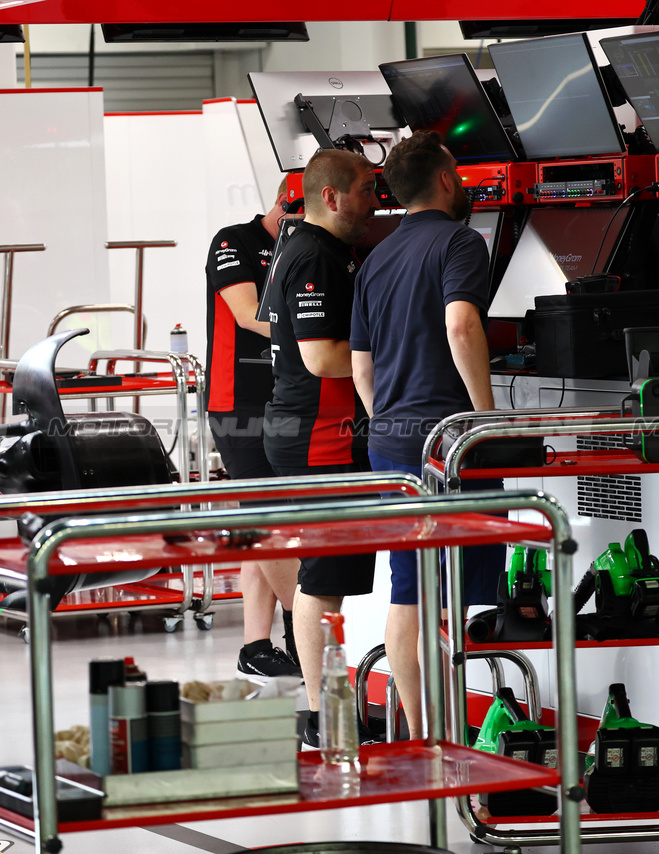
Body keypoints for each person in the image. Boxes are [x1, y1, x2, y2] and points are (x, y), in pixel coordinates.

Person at [350, 129, 504, 739]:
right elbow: (462, 326)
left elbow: (362, 366)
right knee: (453, 595)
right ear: (445, 179)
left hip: (390, 438)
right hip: (449, 439)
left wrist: (388, 417)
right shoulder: (462, 241)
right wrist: (486, 418)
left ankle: (422, 735)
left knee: (408, 588)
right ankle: (453, 735)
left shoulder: (377, 256)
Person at [261, 149, 379, 746]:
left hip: (308, 428)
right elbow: (320, 356)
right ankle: (323, 715)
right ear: (330, 196)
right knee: (322, 579)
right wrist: (399, 356)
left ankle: (323, 710)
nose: (375, 198)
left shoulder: (302, 244)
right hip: (318, 434)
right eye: (364, 187)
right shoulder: (315, 255)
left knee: (325, 576)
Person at [205, 177, 302, 680]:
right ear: (291, 204)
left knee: (264, 520)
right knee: (265, 519)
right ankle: (305, 631)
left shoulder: (308, 245)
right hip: (237, 401)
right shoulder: (233, 241)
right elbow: (246, 314)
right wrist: (314, 330)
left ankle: (256, 645)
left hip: (287, 397)